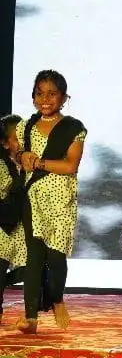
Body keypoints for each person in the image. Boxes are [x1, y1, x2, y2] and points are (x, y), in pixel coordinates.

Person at [14, 69, 86, 334]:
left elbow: (70, 166)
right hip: (32, 198)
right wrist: (21, 156)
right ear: (33, 96)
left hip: (61, 201)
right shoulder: (25, 127)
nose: (45, 99)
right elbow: (18, 155)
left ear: (64, 98)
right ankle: (30, 316)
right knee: (34, 257)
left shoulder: (73, 128)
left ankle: (56, 299)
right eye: (40, 93)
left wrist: (39, 162)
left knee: (56, 257)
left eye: (52, 94)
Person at [0, 115, 27, 323]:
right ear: (5, 143)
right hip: (3, 224)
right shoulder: (2, 165)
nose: (23, 143)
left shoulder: (28, 164)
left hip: (17, 224)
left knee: (33, 267)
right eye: (18, 139)